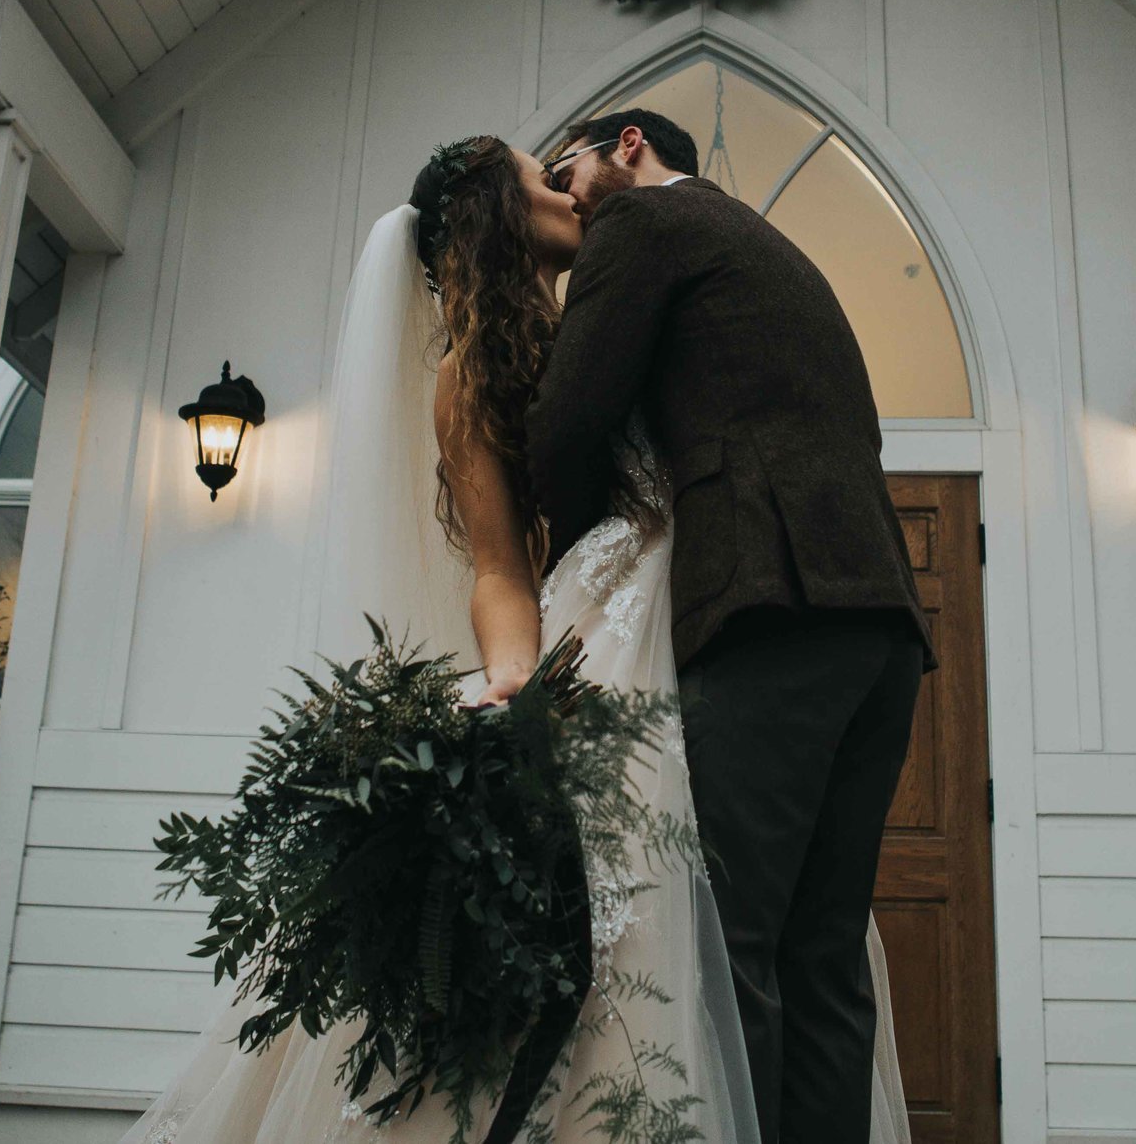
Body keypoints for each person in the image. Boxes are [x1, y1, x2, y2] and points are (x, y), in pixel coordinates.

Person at [114, 135, 908, 1144]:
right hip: (616, 628)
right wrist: (512, 674)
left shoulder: (626, 297)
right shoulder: (469, 371)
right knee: (671, 930)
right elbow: (497, 562)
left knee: (734, 926)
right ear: (497, 209)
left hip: (716, 601)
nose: (572, 187)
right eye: (545, 175)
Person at [528, 111, 933, 1144]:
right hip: (878, 621)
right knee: (824, 956)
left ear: (626, 145)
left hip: (770, 606)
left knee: (729, 941)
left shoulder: (643, 226)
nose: (561, 195)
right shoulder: (765, 247)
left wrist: (572, 563)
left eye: (563, 168)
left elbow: (570, 419)